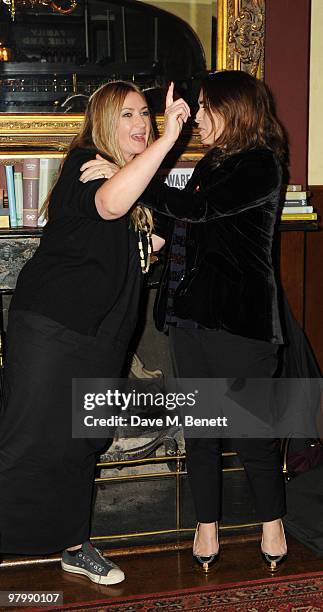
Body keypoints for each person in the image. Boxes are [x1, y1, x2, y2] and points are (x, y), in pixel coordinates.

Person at [80, 71, 288, 573]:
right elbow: (183, 222)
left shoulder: (261, 164)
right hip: (190, 315)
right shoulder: (213, 161)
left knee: (249, 430)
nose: (197, 117)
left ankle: (273, 522)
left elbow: (197, 208)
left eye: (207, 107)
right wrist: (152, 239)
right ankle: (207, 524)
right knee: (199, 430)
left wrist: (126, 174)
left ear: (234, 111)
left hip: (240, 321)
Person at [0, 80, 181, 584]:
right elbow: (109, 206)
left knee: (84, 441)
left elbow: (165, 229)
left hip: (100, 336)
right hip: (52, 328)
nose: (141, 124)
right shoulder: (87, 164)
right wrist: (167, 143)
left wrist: (142, 173)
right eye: (127, 115)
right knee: (26, 438)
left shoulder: (127, 180)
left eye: (146, 115)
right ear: (103, 120)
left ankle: (74, 544)